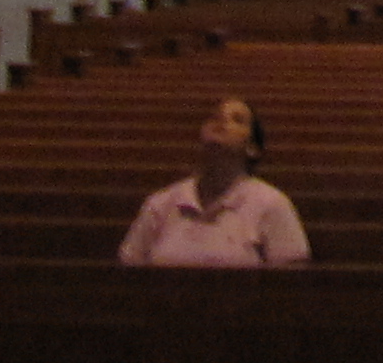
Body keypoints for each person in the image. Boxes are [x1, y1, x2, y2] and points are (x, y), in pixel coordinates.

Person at [118, 95, 310, 266]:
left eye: (237, 120)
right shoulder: (162, 203)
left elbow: (289, 284)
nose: (221, 120)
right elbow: (130, 268)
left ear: (252, 147)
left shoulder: (272, 204)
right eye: (214, 117)